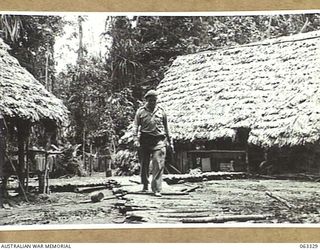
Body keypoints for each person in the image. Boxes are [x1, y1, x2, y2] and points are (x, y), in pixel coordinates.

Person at [133, 90, 171, 197]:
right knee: (144, 164)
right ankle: (145, 183)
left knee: (158, 164)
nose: (152, 102)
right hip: (144, 140)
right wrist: (135, 139)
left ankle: (157, 189)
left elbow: (167, 127)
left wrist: (170, 141)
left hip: (158, 140)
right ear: (146, 100)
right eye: (150, 100)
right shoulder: (140, 112)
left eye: (154, 100)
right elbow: (135, 126)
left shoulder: (162, 111)